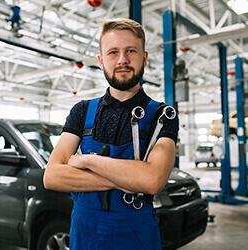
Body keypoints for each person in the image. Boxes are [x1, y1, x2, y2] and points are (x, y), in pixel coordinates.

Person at [43, 18, 179, 250]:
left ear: (144, 57)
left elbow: (152, 180)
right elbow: (52, 176)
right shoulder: (82, 111)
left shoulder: (163, 115)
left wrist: (88, 161)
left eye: (131, 51)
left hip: (136, 236)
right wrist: (127, 180)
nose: (122, 60)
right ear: (101, 60)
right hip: (84, 234)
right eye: (113, 52)